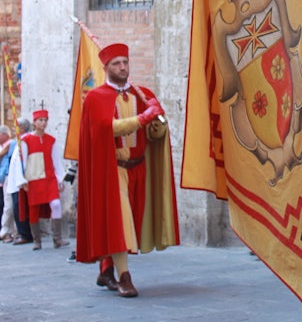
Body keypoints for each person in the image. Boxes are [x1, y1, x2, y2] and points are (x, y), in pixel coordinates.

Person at [76, 43, 179, 298]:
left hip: (139, 168)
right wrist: (145, 117)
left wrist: (158, 122)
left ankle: (106, 269)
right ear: (106, 68)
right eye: (116, 64)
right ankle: (125, 277)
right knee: (120, 222)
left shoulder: (140, 94)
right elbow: (108, 128)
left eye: (125, 62)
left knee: (128, 220)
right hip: (113, 171)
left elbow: (153, 134)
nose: (122, 67)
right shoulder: (96, 97)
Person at [11, 109, 69, 250]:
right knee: (34, 210)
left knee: (55, 204)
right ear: (34, 122)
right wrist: (22, 181)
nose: (43, 123)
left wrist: (60, 179)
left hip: (49, 179)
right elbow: (21, 161)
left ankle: (57, 239)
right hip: (33, 179)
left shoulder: (51, 140)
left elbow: (56, 161)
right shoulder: (25, 141)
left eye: (45, 120)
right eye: (40, 120)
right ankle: (37, 241)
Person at [6, 118, 33, 245]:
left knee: (19, 207)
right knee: (17, 207)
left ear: (22, 128)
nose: (14, 129)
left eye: (16, 127)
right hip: (15, 180)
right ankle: (23, 233)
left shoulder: (25, 140)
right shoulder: (19, 141)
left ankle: (25, 234)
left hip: (20, 180)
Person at [0, 126, 15, 242]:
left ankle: (5, 232)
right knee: (7, 205)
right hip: (5, 177)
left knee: (8, 205)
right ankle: (7, 232)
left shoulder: (10, 143)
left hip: (9, 177)